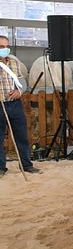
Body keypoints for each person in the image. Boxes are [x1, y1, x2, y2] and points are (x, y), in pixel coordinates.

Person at [0, 36, 40, 175]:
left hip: (15, 105)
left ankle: (26, 165)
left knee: (21, 136)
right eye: (1, 47)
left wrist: (19, 91)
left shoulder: (14, 63)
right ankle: (0, 168)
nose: (5, 49)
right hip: (0, 104)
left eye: (6, 46)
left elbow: (21, 81)